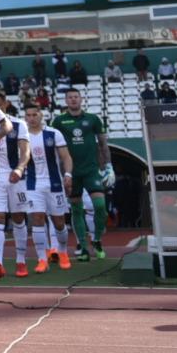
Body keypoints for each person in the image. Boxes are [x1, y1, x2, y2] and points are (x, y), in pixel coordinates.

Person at [51, 89, 113, 261]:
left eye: (75, 97)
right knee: (77, 210)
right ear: (66, 100)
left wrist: (109, 166)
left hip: (91, 170)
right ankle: (84, 248)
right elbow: (53, 146)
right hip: (71, 172)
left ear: (81, 99)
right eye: (70, 97)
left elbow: (103, 144)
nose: (73, 100)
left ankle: (97, 240)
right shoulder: (59, 121)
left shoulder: (93, 119)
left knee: (100, 207)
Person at [0, 89, 32, 281]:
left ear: (5, 104)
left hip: (16, 177)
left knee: (19, 217)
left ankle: (21, 259)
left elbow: (25, 151)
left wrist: (20, 168)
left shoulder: (19, 124)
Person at [22, 103, 74, 274]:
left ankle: (63, 252)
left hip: (54, 184)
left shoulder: (54, 133)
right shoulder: (22, 136)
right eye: (28, 115)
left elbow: (66, 157)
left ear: (41, 115)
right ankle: (42, 258)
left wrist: (68, 175)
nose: (31, 118)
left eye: (34, 114)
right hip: (32, 184)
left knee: (59, 222)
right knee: (37, 219)